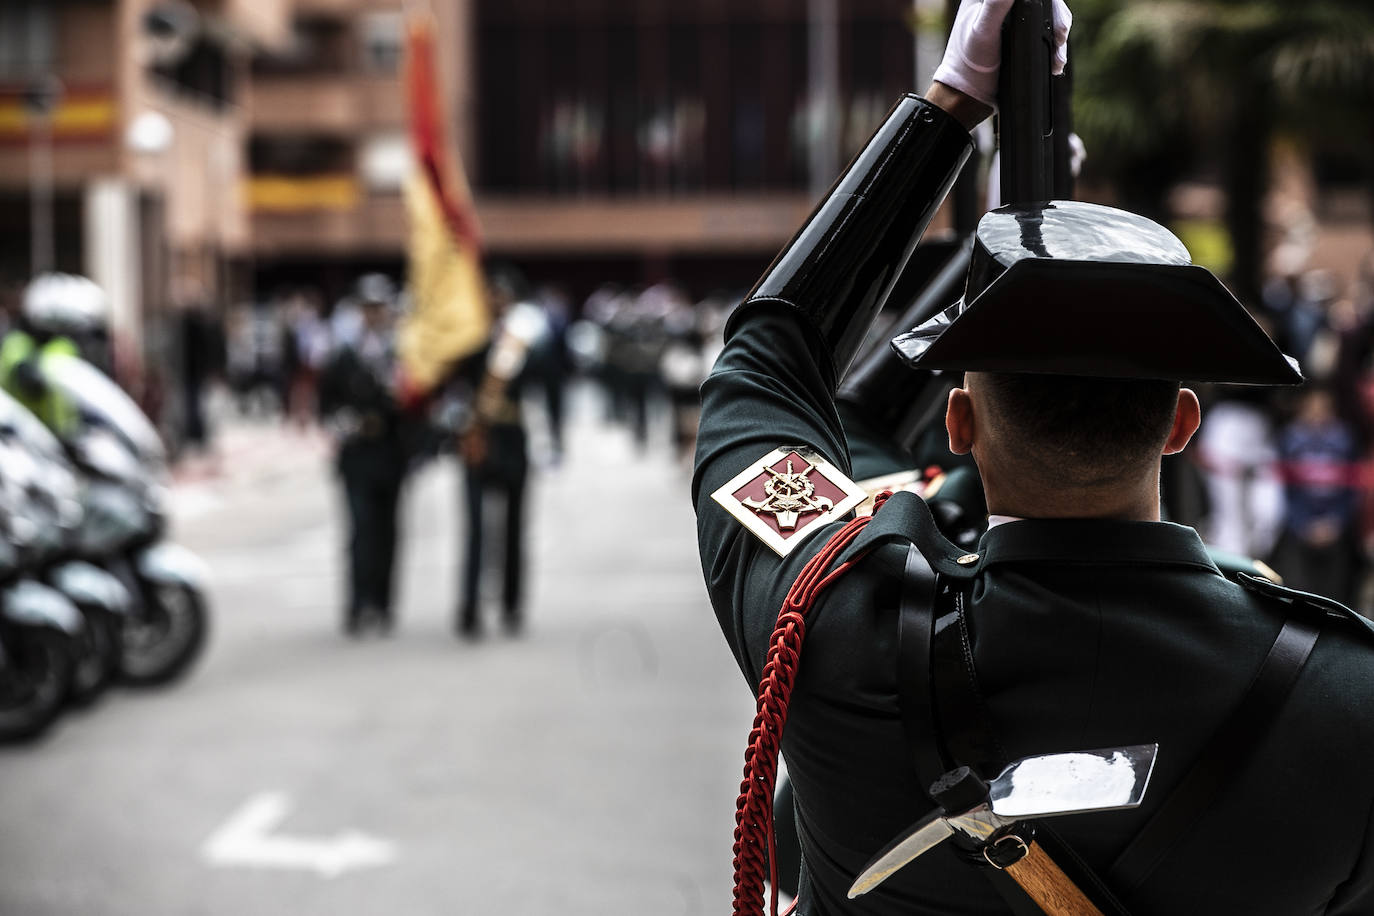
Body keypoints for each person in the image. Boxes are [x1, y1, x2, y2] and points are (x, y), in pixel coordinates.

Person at [691, 3, 1374, 914]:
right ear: (1181, 423)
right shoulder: (1342, 693)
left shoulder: (841, 634)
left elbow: (771, 364)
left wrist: (949, 111)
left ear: (959, 423)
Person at [452, 272, 547, 638]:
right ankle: (469, 606)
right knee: (475, 529)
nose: (496, 301)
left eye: (502, 296)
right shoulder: (470, 340)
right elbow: (454, 386)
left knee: (512, 529)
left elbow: (545, 379)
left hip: (512, 439)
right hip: (478, 441)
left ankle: (511, 604)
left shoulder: (523, 343)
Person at [318, 274, 411, 636]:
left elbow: (414, 408)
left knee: (389, 532)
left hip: (391, 453)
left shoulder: (401, 354)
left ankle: (384, 604)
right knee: (359, 531)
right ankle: (357, 604)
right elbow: (327, 406)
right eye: (368, 308)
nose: (374, 315)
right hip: (357, 455)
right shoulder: (343, 355)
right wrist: (345, 424)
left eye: (379, 307)